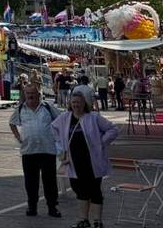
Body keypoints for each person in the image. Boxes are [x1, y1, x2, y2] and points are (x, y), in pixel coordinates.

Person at [52, 86, 119, 228]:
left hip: (92, 161)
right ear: (70, 104)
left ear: (84, 104)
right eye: (73, 102)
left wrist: (101, 142)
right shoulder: (64, 118)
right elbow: (53, 129)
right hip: (74, 161)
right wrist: (60, 146)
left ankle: (97, 221)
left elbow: (112, 129)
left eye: (79, 102)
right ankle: (83, 220)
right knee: (79, 190)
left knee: (94, 190)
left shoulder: (93, 117)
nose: (76, 105)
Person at [10, 86, 63, 217]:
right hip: (29, 150)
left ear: (38, 94)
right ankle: (32, 207)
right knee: (30, 182)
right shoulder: (20, 109)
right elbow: (12, 123)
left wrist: (58, 137)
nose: (30, 96)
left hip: (47, 149)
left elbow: (62, 120)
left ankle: (52, 207)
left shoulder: (47, 107)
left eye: (33, 93)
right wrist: (18, 137)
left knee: (50, 181)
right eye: (28, 93)